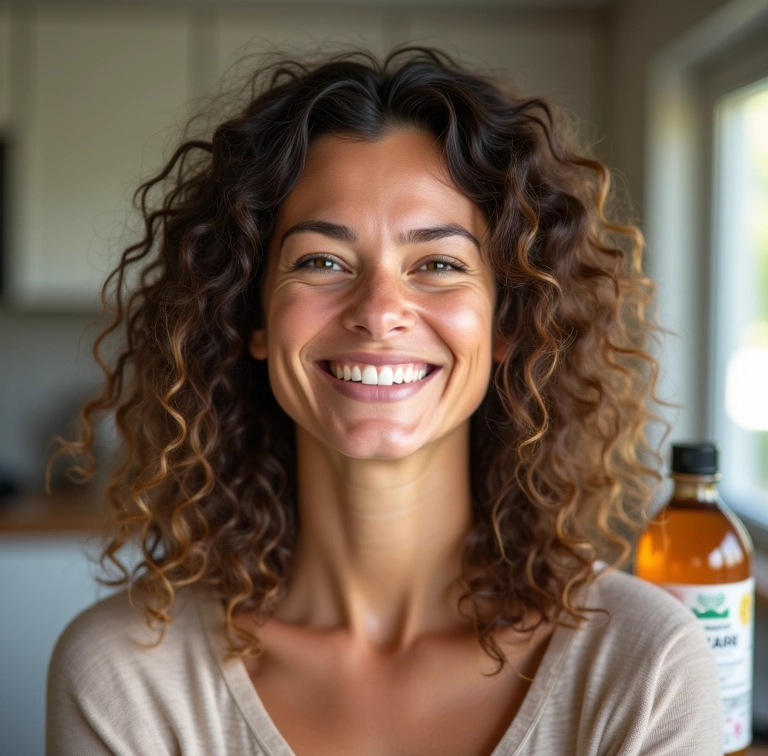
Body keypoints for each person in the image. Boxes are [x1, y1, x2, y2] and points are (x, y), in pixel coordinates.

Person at [46, 48, 721, 755]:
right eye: (322, 262)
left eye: (437, 264)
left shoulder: (645, 666)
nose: (378, 310)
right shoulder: (126, 675)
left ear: (506, 326)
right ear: (250, 317)